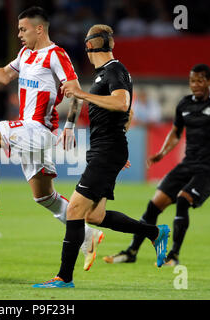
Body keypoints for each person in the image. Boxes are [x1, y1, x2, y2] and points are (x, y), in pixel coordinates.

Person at [0, 6, 104, 271]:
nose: (19, 34)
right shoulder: (25, 54)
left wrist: (70, 125)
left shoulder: (56, 55)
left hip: (39, 130)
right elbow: (3, 75)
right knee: (44, 197)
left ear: (39, 29)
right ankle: (88, 236)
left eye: (23, 29)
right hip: (28, 131)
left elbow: (77, 90)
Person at [33, 24, 170, 288]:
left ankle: (64, 277)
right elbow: (119, 111)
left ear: (90, 46)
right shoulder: (101, 75)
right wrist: (75, 126)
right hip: (107, 149)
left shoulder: (116, 70)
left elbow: (123, 103)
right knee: (94, 216)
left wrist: (115, 147)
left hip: (107, 150)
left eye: (86, 42)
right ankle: (154, 232)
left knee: (73, 209)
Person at [104, 64, 210, 266]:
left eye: (199, 81)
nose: (195, 85)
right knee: (153, 206)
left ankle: (174, 256)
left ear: (209, 82)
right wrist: (162, 153)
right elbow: (176, 132)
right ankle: (131, 252)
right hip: (187, 165)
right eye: (192, 81)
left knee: (183, 200)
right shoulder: (185, 104)